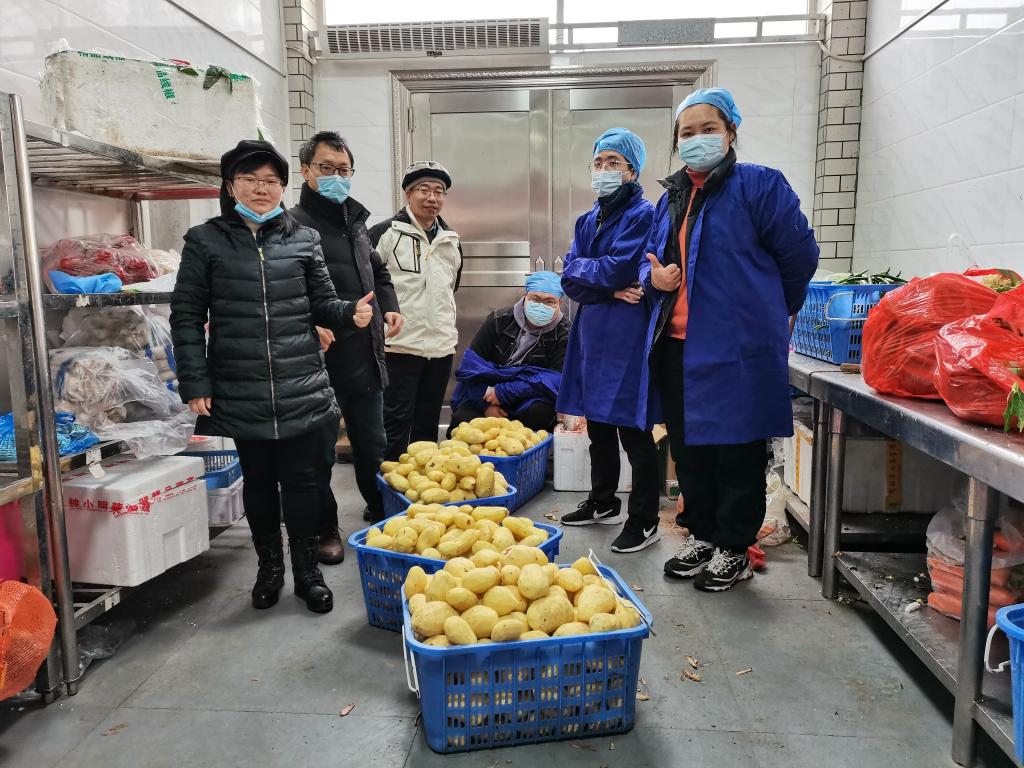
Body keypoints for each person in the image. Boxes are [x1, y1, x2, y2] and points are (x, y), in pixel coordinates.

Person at [171, 140, 374, 614]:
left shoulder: (303, 238)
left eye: (271, 181)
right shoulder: (205, 241)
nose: (261, 189)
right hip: (240, 385)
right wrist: (195, 381)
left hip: (299, 380)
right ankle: (270, 569)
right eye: (250, 180)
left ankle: (307, 573)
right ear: (230, 186)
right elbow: (186, 315)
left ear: (284, 186)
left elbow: (322, 302)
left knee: (304, 482)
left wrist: (350, 312)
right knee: (259, 483)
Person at [643, 88, 818, 592]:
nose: (697, 139)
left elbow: (799, 256)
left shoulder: (760, 186)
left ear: (731, 132)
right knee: (690, 450)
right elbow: (649, 261)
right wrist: (654, 279)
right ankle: (702, 534)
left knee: (736, 452)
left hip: (736, 349)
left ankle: (734, 547)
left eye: (708, 129)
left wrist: (769, 311)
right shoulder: (671, 198)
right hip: (679, 346)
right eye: (687, 132)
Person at [291, 131, 403, 563]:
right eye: (327, 168)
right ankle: (326, 528)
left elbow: (379, 273)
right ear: (306, 170)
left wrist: (389, 308)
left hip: (363, 351)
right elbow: (281, 290)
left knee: (373, 445)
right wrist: (309, 322)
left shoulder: (355, 223)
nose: (337, 177)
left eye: (344, 169)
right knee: (319, 452)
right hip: (317, 358)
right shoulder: (291, 225)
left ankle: (381, 512)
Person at [557, 128, 661, 554]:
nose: (603, 170)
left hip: (626, 335)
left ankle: (645, 520)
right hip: (593, 332)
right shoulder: (587, 220)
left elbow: (620, 268)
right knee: (597, 425)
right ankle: (603, 501)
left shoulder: (644, 215)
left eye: (613, 162)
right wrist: (608, 290)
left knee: (633, 430)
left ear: (632, 171)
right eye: (598, 162)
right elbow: (569, 279)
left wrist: (593, 275)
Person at [368, 161, 463, 460]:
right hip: (399, 345)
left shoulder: (451, 240)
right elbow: (367, 286)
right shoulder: (384, 233)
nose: (432, 197)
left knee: (428, 422)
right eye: (424, 189)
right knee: (394, 420)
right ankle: (389, 482)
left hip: (440, 345)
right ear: (408, 194)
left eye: (439, 191)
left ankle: (424, 481)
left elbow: (451, 288)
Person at [448, 270, 570, 434]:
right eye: (535, 299)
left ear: (560, 303)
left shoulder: (565, 333)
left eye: (549, 301)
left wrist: (505, 392)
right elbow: (471, 368)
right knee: (463, 420)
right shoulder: (498, 320)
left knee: (540, 414)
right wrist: (486, 407)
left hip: (529, 398)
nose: (541, 306)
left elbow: (556, 380)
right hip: (487, 394)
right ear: (525, 296)